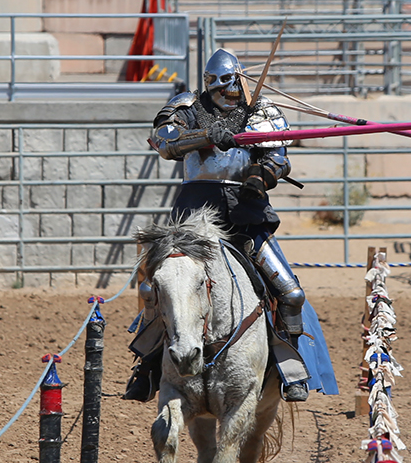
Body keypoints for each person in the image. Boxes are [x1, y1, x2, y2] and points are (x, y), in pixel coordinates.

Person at [123, 48, 311, 403]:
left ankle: (290, 368)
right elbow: (165, 142)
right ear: (208, 85)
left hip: (245, 213)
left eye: (232, 88)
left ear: (241, 81)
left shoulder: (263, 111)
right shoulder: (188, 107)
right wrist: (209, 135)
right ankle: (146, 368)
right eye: (220, 89)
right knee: (155, 290)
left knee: (290, 293)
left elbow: (277, 160)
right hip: (194, 215)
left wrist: (258, 177)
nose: (228, 95)